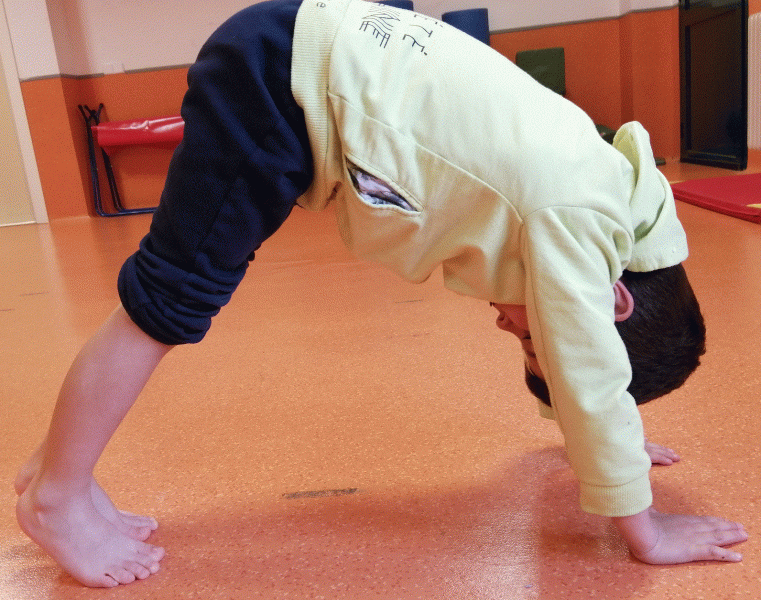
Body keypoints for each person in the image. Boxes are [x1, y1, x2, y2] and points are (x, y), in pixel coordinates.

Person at [15, 0, 747, 588]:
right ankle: (57, 499)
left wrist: (610, 426)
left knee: (170, 299)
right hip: (279, 81)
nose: (508, 329)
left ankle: (53, 466)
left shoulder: (622, 198)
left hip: (296, 53)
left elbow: (587, 362)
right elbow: (587, 367)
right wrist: (644, 531)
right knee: (167, 304)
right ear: (612, 300)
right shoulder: (575, 219)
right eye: (531, 338)